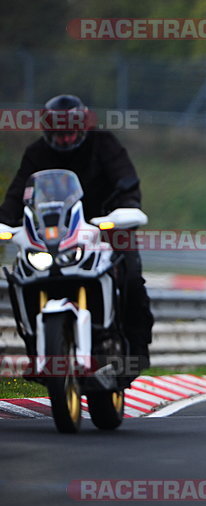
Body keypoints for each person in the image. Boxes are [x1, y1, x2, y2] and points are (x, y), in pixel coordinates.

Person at [0, 94, 154, 378]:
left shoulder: (104, 144)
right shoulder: (36, 153)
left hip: (105, 229)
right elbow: (16, 194)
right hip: (54, 235)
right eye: (58, 134)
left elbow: (126, 181)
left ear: (82, 128)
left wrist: (126, 209)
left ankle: (136, 352)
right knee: (21, 278)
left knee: (131, 278)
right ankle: (37, 351)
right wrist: (4, 222)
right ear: (48, 132)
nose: (65, 140)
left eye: (70, 133)